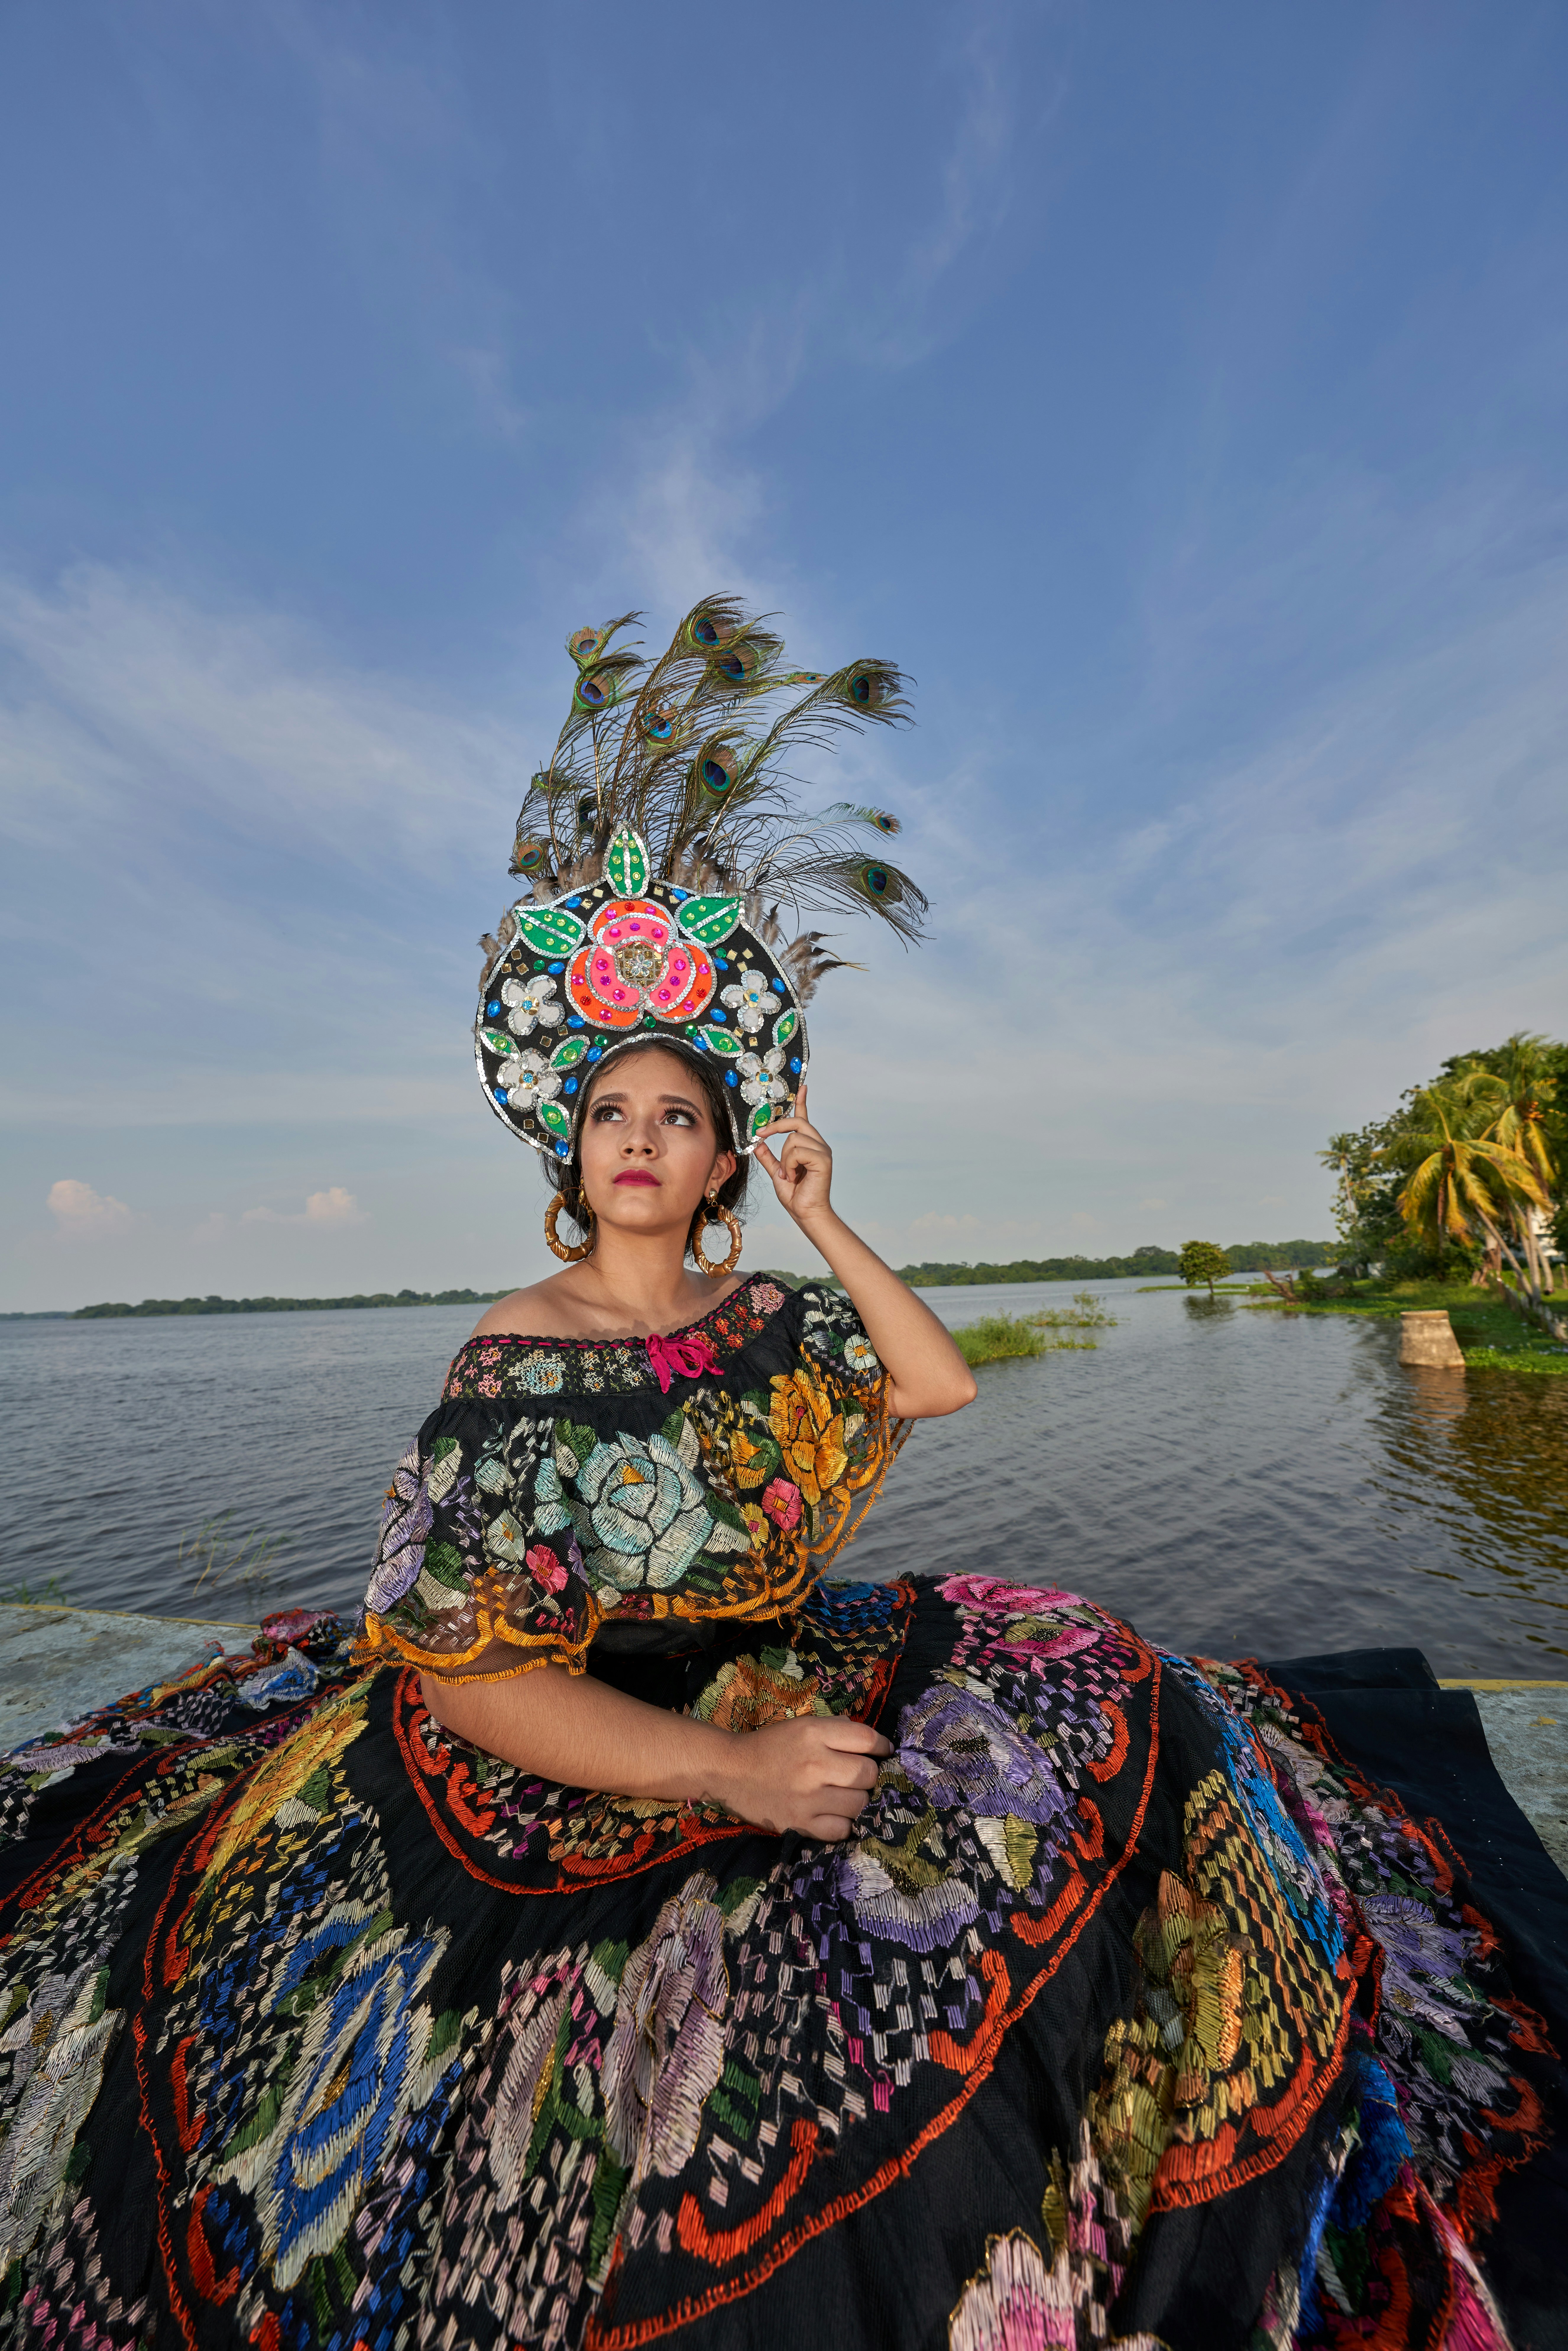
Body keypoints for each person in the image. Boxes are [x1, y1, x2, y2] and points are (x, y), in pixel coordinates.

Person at [0, 602, 1562, 2351]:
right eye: (611, 1116)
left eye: (680, 1115)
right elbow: (477, 1669)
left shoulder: (766, 1315)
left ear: (725, 1149)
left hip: (785, 1656)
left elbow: (935, 1379)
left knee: (1133, 1724)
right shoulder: (512, 1359)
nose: (642, 1140)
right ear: (569, 1154)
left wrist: (825, 1219)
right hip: (585, 1738)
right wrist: (724, 1773)